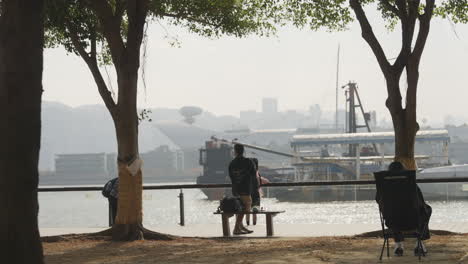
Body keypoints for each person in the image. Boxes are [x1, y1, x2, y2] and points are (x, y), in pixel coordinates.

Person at [376, 161, 432, 256]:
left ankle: (399, 244)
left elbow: (378, 200)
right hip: (413, 221)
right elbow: (420, 202)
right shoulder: (410, 184)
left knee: (393, 211)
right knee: (427, 209)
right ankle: (419, 243)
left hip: (392, 221)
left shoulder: (383, 185)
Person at [228, 144, 256, 235]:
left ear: (235, 151)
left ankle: (241, 226)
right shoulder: (248, 161)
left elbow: (231, 177)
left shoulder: (232, 163)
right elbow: (253, 174)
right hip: (245, 188)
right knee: (246, 207)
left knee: (241, 208)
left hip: (236, 189)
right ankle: (236, 228)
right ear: (243, 151)